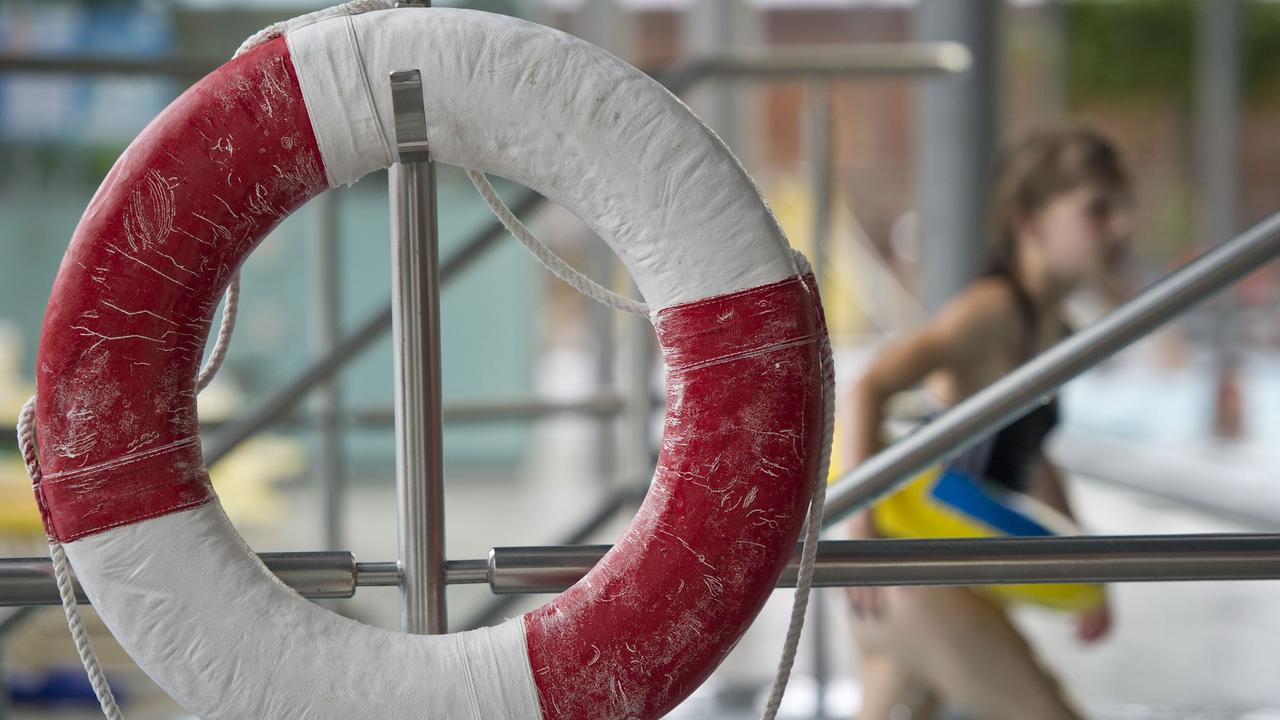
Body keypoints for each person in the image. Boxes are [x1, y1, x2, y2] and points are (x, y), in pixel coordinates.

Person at [845, 127, 1135, 720]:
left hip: (925, 575)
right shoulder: (993, 311)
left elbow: (1033, 457)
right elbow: (867, 388)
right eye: (1098, 210)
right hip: (907, 573)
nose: (1121, 228)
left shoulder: (1053, 329)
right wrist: (862, 532)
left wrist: (1086, 563)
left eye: (1121, 209)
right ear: (1029, 221)